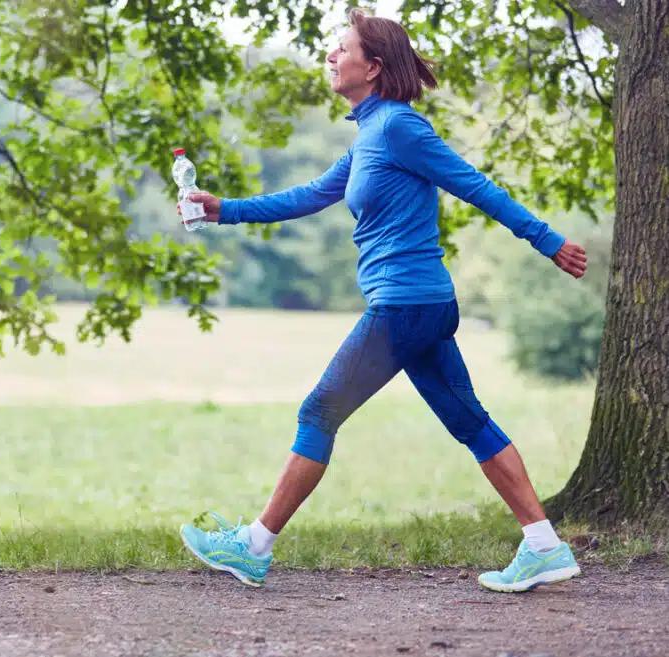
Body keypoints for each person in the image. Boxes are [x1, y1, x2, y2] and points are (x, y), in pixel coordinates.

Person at [178, 8, 588, 593]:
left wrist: (546, 240)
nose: (330, 56)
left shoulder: (399, 127)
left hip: (404, 305)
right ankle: (544, 546)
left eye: (341, 49)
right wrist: (224, 210)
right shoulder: (369, 134)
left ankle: (254, 547)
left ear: (372, 67)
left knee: (319, 412)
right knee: (469, 422)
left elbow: (474, 184)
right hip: (418, 307)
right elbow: (312, 195)